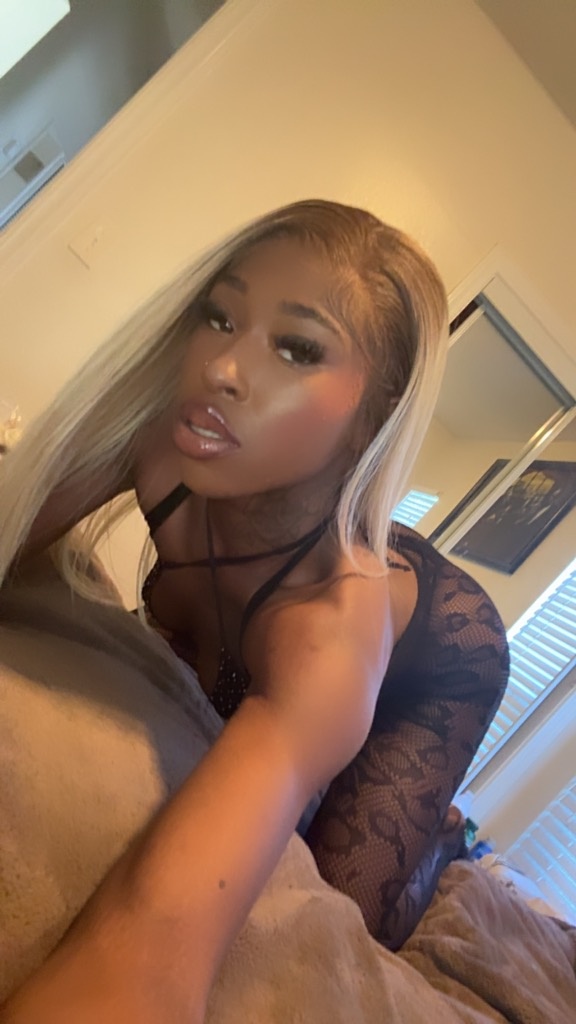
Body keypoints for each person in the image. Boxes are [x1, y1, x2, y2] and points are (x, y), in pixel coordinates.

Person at [0, 199, 508, 1021]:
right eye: (220, 316)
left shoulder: (329, 631)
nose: (223, 368)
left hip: (440, 663)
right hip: (301, 553)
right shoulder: (163, 443)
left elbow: (151, 948)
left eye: (297, 348)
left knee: (334, 907)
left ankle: (444, 841)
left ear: (372, 415)